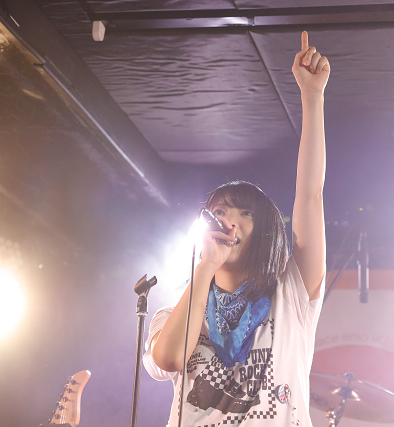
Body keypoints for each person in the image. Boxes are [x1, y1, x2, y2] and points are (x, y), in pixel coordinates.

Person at [142, 31, 330, 427]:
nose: (228, 219)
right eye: (219, 211)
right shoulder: (172, 312)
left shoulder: (290, 295)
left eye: (244, 213)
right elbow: (169, 359)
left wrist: (313, 97)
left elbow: (310, 197)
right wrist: (206, 266)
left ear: (263, 231)